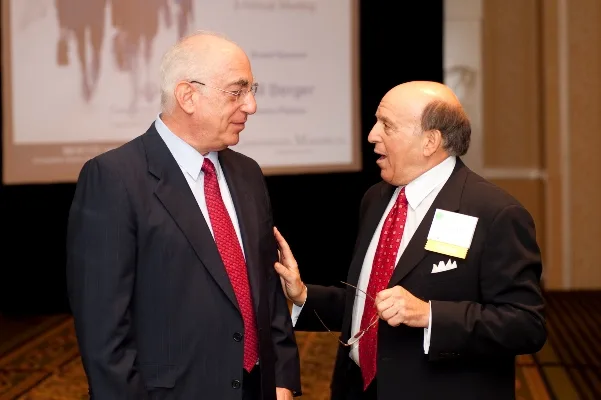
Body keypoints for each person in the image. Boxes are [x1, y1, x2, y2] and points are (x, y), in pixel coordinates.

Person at [274, 81, 546, 400]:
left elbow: (525, 325)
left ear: (430, 141)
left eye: (386, 125)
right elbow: (370, 303)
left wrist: (429, 315)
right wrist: (304, 295)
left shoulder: (495, 214)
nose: (372, 135)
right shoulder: (376, 199)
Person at [66, 31, 301, 400]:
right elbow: (103, 330)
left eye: (251, 90)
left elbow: (266, 288)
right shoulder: (114, 178)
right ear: (188, 96)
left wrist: (282, 375)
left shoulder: (248, 173)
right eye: (236, 92)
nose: (251, 105)